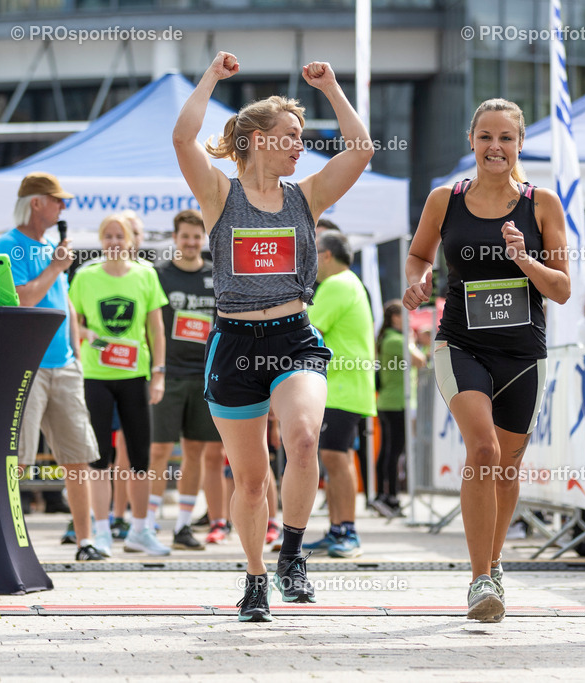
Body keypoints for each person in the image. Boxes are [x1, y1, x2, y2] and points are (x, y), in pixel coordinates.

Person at [173, 51, 372, 622]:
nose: (299, 144)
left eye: (302, 136)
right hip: (233, 344)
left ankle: (292, 556)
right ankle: (255, 576)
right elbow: (183, 138)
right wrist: (210, 75)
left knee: (305, 438)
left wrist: (332, 88)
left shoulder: (304, 198)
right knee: (252, 482)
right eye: (289, 135)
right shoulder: (219, 196)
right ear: (256, 139)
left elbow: (360, 151)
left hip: (293, 338)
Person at [403, 98, 570, 623]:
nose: (494, 147)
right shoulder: (443, 200)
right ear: (471, 141)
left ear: (519, 145)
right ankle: (478, 580)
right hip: (461, 343)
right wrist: (416, 281)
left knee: (508, 463)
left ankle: (495, 563)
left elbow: (562, 289)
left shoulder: (542, 203)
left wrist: (525, 259)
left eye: (505, 138)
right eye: (485, 137)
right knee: (483, 447)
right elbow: (418, 255)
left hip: (522, 350)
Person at [0, 172, 103, 562]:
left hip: (63, 364)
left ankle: (86, 541)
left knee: (77, 455)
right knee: (17, 457)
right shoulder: (9, 246)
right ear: (36, 202)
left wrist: (75, 352)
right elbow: (22, 299)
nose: (63, 207)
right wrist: (56, 267)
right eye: (58, 200)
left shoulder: (47, 246)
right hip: (27, 364)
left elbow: (65, 302)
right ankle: (5, 542)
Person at [69, 213, 170, 557]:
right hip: (97, 377)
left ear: (130, 240)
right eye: (108, 236)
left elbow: (156, 329)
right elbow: (74, 325)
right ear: (101, 240)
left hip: (135, 376)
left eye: (119, 236)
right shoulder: (85, 277)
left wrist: (158, 373)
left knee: (140, 457)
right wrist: (90, 338)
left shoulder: (146, 275)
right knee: (99, 458)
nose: (114, 242)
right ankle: (101, 532)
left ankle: (139, 530)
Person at [148, 209, 222, 551]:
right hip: (168, 374)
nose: (192, 242)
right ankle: (147, 524)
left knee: (196, 450)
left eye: (197, 236)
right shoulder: (158, 275)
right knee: (159, 449)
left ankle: (182, 527)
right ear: (175, 238)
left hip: (205, 377)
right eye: (185, 236)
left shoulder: (215, 275)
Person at [304, 229, 376, 559]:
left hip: (341, 386)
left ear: (327, 255)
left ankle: (348, 530)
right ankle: (338, 529)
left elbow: (307, 329)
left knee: (336, 457)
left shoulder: (337, 284)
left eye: (314, 252)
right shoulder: (348, 283)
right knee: (335, 457)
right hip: (343, 385)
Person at [372, 300, 427, 517]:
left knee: (388, 450)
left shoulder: (389, 338)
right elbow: (420, 361)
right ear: (395, 318)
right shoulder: (396, 340)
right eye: (406, 316)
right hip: (397, 403)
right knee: (394, 452)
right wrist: (413, 341)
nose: (410, 321)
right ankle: (390, 497)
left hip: (391, 402)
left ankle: (383, 496)